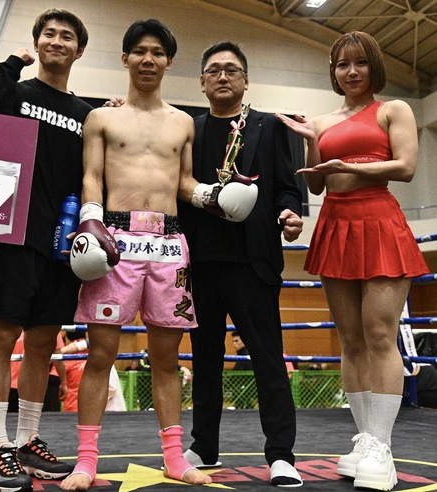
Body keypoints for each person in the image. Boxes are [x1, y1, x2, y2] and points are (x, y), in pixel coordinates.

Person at [60, 19, 216, 491]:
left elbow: (184, 183)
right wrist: (90, 220)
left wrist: (215, 196)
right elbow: (91, 176)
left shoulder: (183, 122)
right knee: (101, 353)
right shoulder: (102, 118)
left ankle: (174, 457)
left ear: (169, 62)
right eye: (141, 51)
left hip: (169, 242)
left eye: (158, 53)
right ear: (125, 58)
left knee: (166, 358)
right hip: (114, 241)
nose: (149, 60)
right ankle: (86, 461)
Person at [277, 31, 429, 491]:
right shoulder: (322, 121)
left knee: (380, 333)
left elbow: (406, 167)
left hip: (378, 219)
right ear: (334, 72)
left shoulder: (393, 109)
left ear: (374, 66)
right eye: (343, 64)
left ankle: (383, 446)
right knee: (350, 338)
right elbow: (316, 186)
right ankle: (365, 440)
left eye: (360, 62)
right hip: (336, 222)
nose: (352, 71)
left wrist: (352, 166)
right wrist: (311, 141)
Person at [0, 8, 92, 491]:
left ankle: (27, 441)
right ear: (37, 43)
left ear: (79, 50)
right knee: (0, 337)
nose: (57, 41)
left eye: (67, 36)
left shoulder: (86, 114)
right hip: (9, 234)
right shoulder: (15, 93)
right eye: (49, 34)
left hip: (60, 244)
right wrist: (9, 65)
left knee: (43, 342)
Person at [177, 41, 305, 487]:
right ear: (202, 82)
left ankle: (281, 455)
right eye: (213, 70)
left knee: (268, 360)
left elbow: (287, 187)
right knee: (205, 360)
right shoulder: (189, 128)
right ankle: (203, 445)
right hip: (200, 262)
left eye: (231, 70)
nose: (223, 76)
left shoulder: (268, 127)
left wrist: (291, 213)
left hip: (254, 262)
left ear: (246, 80)